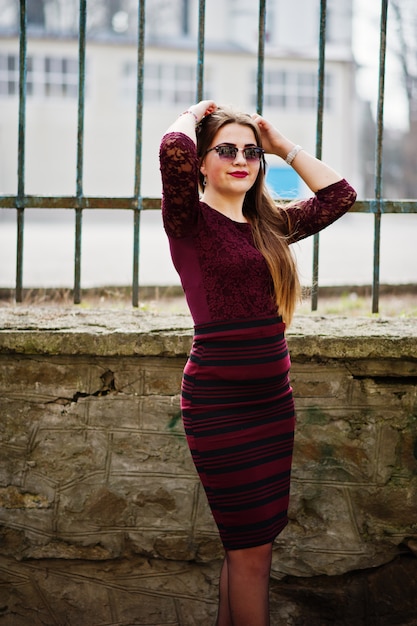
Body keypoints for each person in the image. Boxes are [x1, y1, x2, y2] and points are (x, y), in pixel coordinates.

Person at [159, 100, 356, 626]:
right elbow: (172, 150)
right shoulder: (188, 222)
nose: (240, 159)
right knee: (251, 553)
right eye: (225, 150)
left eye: (250, 152)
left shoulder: (270, 226)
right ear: (203, 162)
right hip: (219, 406)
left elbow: (341, 195)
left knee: (250, 546)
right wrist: (193, 113)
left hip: (273, 406)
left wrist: (281, 145)